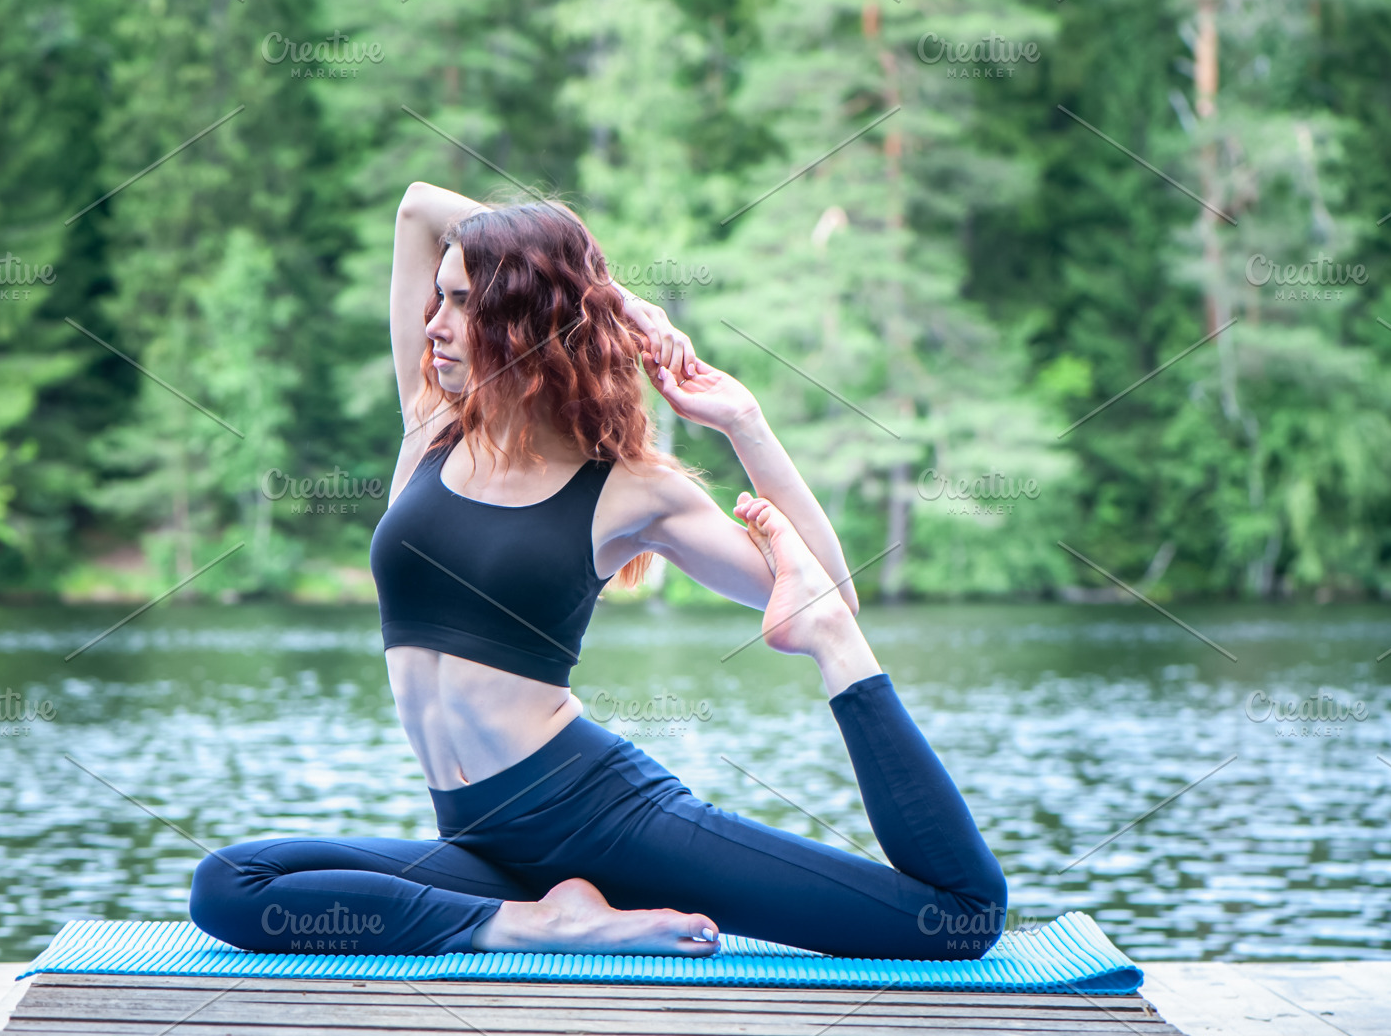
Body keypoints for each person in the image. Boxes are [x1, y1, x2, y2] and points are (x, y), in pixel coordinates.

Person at [187, 183, 1006, 959]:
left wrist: (744, 422)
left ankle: (544, 922)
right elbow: (419, 207)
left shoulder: (624, 490)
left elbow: (830, 589)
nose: (435, 322)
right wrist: (611, 295)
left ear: (524, 315)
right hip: (477, 837)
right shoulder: (431, 426)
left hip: (597, 817)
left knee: (953, 918)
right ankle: (537, 925)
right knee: (230, 885)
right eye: (437, 297)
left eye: (464, 301)